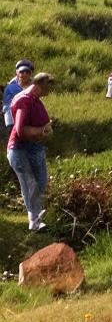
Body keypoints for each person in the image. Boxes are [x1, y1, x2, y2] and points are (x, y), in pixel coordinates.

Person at [8, 71, 53, 232]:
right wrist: (41, 130)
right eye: (50, 85)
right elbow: (20, 130)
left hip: (35, 148)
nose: (51, 89)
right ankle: (34, 221)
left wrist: (46, 129)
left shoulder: (36, 100)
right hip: (20, 149)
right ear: (41, 84)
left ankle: (35, 215)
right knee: (30, 183)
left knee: (40, 182)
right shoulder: (24, 101)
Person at [3, 59, 33, 140]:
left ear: (30, 74)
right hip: (13, 119)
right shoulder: (11, 87)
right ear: (17, 73)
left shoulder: (33, 87)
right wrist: (11, 123)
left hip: (29, 119)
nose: (24, 74)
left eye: (27, 72)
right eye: (22, 72)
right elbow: (6, 106)